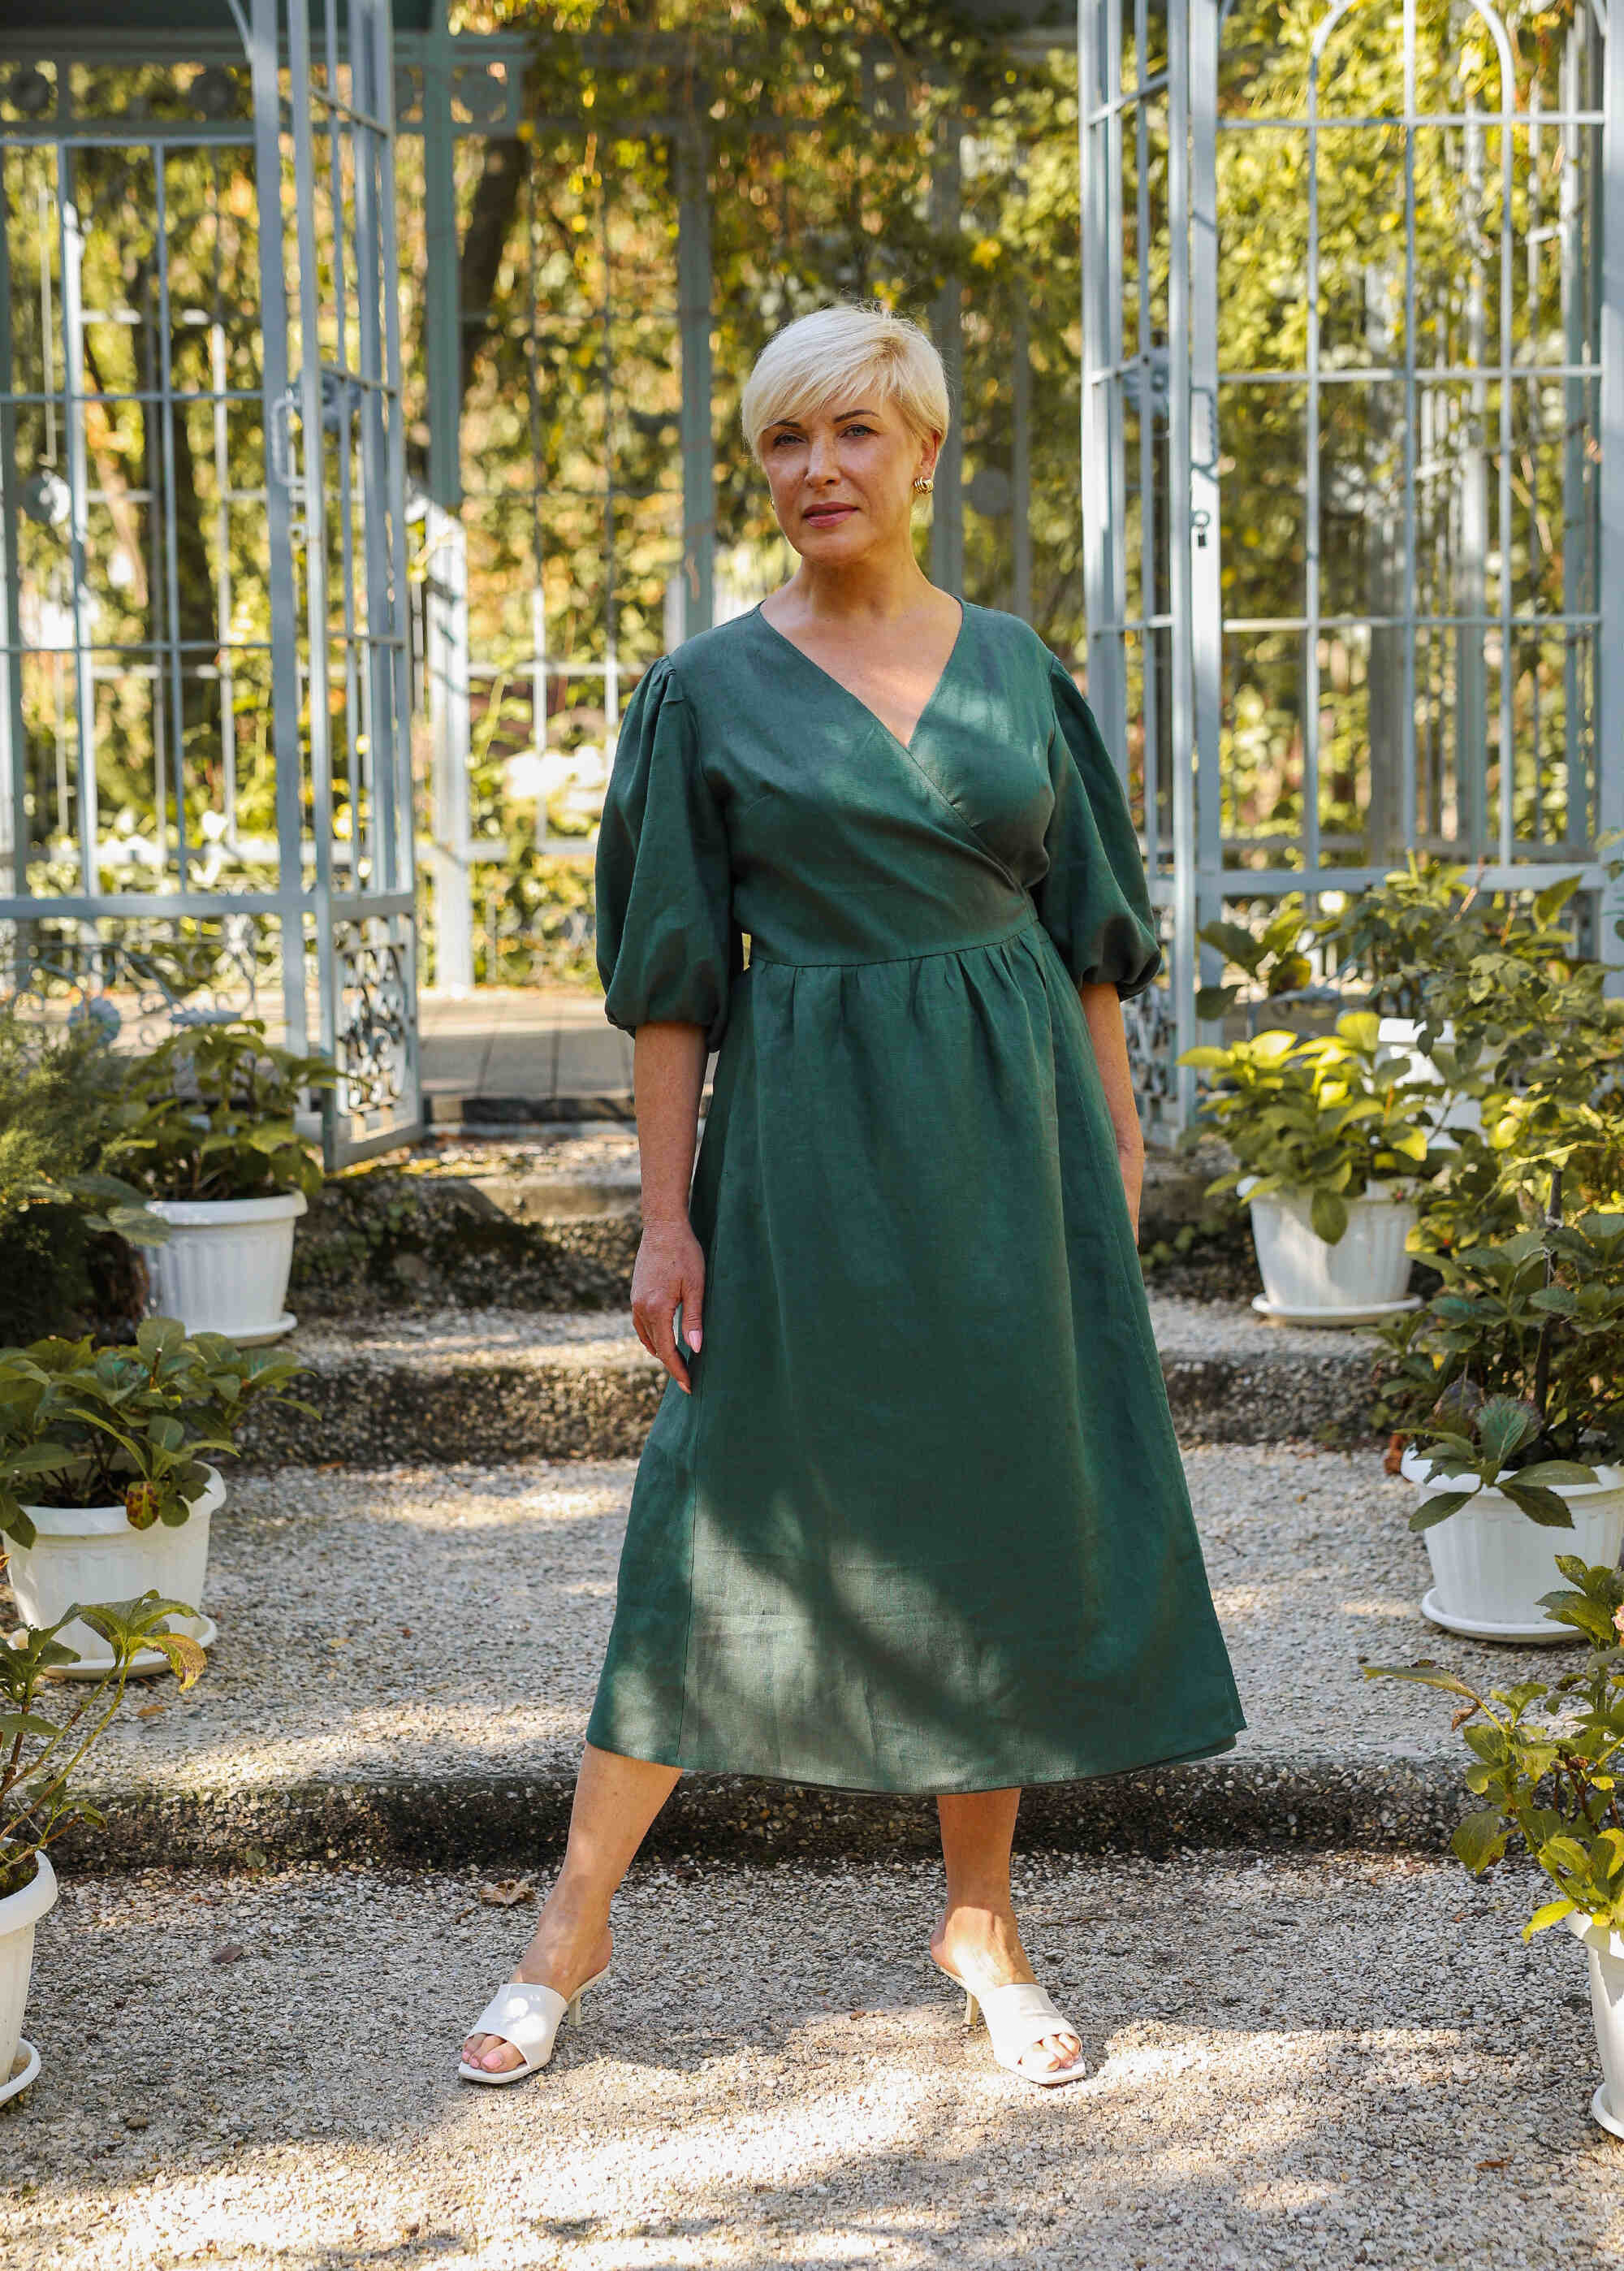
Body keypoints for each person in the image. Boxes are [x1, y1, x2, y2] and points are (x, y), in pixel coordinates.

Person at [460, 299, 1244, 2091]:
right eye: (784, 443)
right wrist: (662, 1220)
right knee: (713, 1504)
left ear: (924, 453)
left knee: (998, 1507)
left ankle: (982, 1925)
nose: (818, 471)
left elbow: (1090, 934)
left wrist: (1115, 1147)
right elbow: (671, 980)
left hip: (1014, 1130)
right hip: (807, 1137)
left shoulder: (1022, 667)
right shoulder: (704, 691)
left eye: (853, 436)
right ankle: (568, 1926)